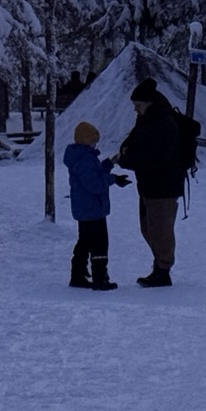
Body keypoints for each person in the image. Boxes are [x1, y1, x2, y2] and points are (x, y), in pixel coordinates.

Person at [115, 76, 199, 288]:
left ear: (149, 103)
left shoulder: (163, 124)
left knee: (160, 230)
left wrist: (126, 159)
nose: (135, 109)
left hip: (163, 187)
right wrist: (126, 151)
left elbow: (154, 160)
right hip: (149, 186)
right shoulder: (146, 121)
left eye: (138, 105)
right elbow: (132, 141)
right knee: (149, 229)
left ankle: (163, 270)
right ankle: (159, 267)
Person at [63, 120, 129, 290]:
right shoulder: (84, 160)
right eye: (93, 141)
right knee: (99, 243)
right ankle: (99, 278)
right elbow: (94, 184)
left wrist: (110, 163)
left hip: (86, 210)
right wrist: (113, 179)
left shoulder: (83, 157)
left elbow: (96, 173)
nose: (95, 144)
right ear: (86, 141)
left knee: (85, 241)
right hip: (92, 210)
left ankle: (78, 275)